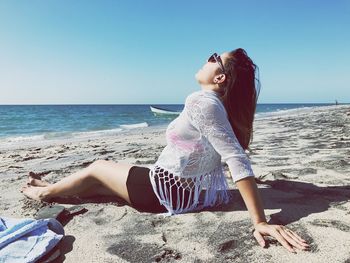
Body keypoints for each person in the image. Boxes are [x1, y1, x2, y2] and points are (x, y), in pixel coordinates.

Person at [21, 48, 310, 253]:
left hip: (163, 191)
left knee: (98, 166)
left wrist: (259, 221)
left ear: (220, 78)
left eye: (213, 58)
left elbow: (235, 157)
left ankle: (43, 192)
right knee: (101, 186)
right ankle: (55, 186)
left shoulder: (201, 101)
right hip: (190, 193)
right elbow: (226, 151)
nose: (206, 59)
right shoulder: (221, 108)